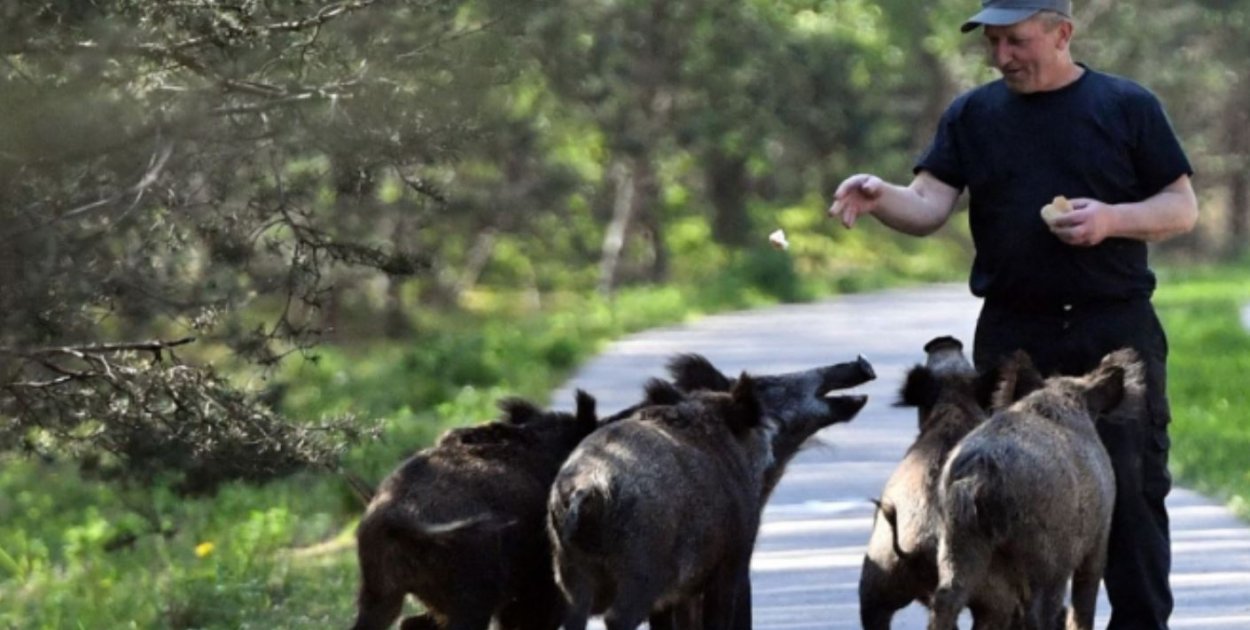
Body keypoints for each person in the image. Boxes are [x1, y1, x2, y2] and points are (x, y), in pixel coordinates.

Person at [827, 1, 1198, 628]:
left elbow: (1180, 207)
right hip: (1014, 334)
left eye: (1016, 40)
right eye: (992, 42)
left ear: (1062, 33)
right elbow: (927, 203)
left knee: (1130, 493)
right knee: (1007, 501)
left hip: (1113, 332)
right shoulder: (973, 114)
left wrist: (1111, 219)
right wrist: (880, 196)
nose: (1001, 57)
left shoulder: (1125, 105)